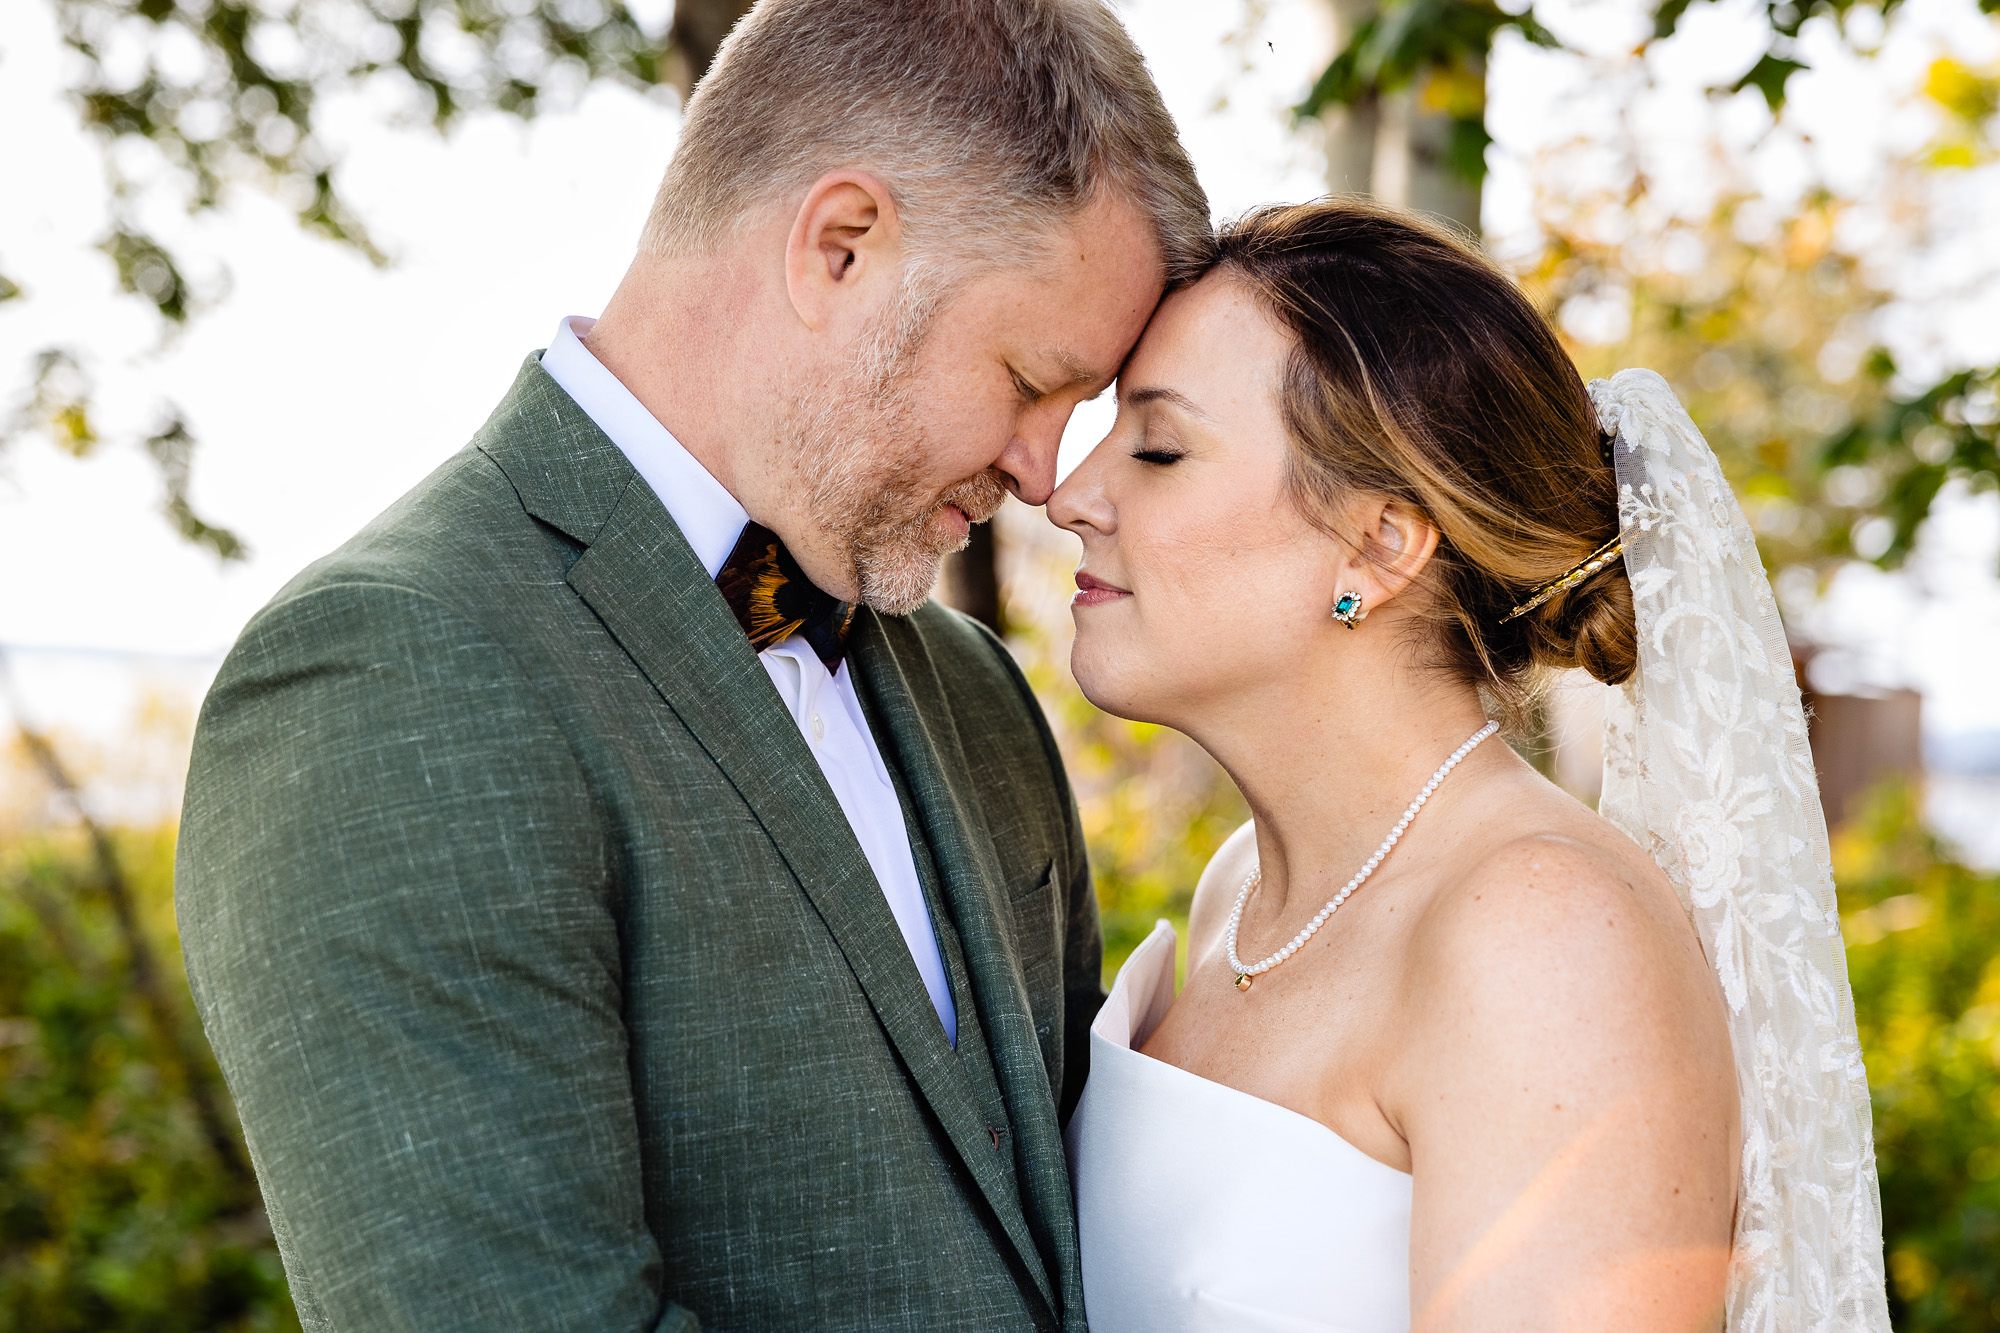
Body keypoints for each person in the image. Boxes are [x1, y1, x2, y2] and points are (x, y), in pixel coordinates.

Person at [173, 1, 1209, 1328]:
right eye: (1027, 380)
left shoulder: (976, 693)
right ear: (841, 246)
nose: (1042, 473)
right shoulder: (388, 672)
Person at [1054, 200, 1892, 1331]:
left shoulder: (1543, 936)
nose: (1069, 496)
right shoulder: (1240, 887)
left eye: (1156, 447)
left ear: (1378, 544)